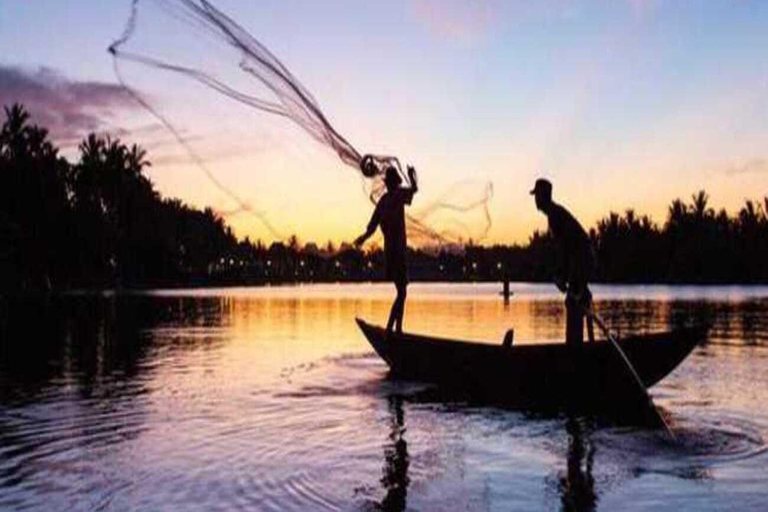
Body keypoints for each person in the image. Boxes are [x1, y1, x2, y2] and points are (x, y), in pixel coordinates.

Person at [531, 178, 596, 346]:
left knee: (574, 302)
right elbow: (565, 248)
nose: (535, 200)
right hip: (582, 260)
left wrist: (561, 274)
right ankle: (582, 346)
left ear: (544, 196)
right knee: (579, 300)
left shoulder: (554, 215)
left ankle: (574, 349)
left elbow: (564, 248)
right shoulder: (556, 213)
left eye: (537, 196)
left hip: (581, 261)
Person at [355, 164, 418, 335]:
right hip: (398, 250)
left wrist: (362, 238)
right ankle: (394, 329)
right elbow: (414, 189)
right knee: (402, 291)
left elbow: (372, 227)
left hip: (391, 250)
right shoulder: (397, 196)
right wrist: (412, 176)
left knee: (402, 291)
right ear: (394, 183)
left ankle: (395, 329)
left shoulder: (383, 201)